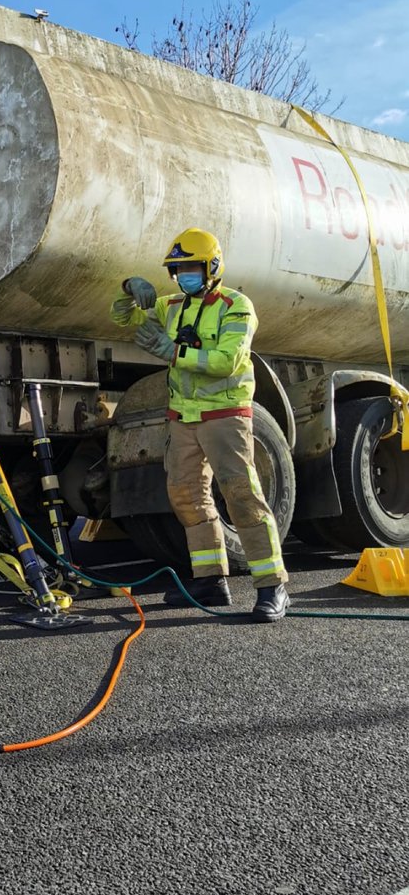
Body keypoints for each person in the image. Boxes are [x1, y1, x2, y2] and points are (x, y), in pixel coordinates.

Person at [111, 228, 289, 623]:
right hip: (183, 419)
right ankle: (210, 580)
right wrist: (129, 288)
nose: (183, 275)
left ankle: (272, 586)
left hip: (225, 416)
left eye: (190, 267)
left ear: (211, 267)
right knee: (187, 497)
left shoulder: (236, 306)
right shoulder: (171, 304)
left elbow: (225, 361)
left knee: (241, 495)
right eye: (177, 269)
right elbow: (120, 316)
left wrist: (173, 351)